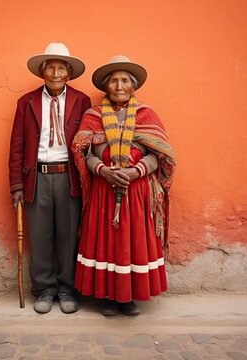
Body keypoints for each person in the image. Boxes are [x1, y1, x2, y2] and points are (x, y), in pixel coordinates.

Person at [72, 55, 175, 316]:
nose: (119, 86)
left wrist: (136, 171)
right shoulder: (93, 116)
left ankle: (128, 298)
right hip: (104, 192)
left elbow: (161, 155)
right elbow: (84, 153)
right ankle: (108, 296)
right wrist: (103, 170)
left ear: (134, 86)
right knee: (106, 241)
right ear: (105, 87)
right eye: (114, 81)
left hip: (137, 191)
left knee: (132, 242)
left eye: (125, 81)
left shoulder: (146, 115)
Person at [8, 43, 91, 314]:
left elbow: (88, 140)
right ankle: (44, 289)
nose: (55, 73)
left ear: (68, 73)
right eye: (50, 67)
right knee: (40, 235)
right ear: (42, 71)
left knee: (68, 236)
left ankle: (67, 289)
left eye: (61, 68)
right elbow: (17, 145)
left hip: (68, 176)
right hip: (38, 177)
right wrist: (17, 185)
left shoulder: (81, 101)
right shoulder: (26, 102)